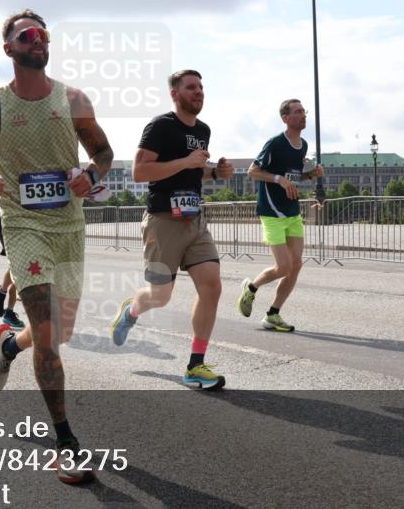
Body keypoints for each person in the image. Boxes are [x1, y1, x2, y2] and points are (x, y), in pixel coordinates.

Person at [0, 8, 113, 484]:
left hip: (68, 224)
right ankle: (66, 443)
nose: (38, 41)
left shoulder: (74, 99)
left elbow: (103, 151)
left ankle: (7, 345)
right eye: (27, 35)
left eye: (43, 35)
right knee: (46, 329)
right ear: (10, 49)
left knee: (60, 331)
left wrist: (92, 174)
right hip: (21, 224)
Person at [109, 70, 233, 390]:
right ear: (174, 94)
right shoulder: (161, 126)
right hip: (163, 221)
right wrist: (187, 161)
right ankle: (133, 310)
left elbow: (193, 173)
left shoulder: (203, 130)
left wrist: (216, 173)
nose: (199, 92)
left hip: (194, 220)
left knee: (212, 285)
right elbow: (140, 171)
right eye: (191, 87)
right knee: (160, 297)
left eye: (201, 87)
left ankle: (195, 365)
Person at [236, 98, 325, 332]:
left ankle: (273, 314)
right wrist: (278, 179)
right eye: (297, 112)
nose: (303, 115)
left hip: (292, 211)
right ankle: (251, 287)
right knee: (283, 267)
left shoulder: (303, 145)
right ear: (285, 118)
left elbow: (293, 176)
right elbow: (253, 171)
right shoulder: (275, 143)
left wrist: (310, 175)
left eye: (303, 111)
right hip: (272, 211)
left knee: (296, 265)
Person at [0, 161, 24, 330]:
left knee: (22, 262)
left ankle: (3, 296)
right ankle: (7, 306)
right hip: (6, 218)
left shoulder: (30, 157)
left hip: (29, 217)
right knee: (19, 262)